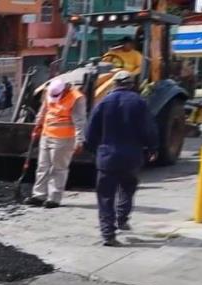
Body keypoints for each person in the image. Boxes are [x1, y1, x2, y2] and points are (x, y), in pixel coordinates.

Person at [83, 70, 158, 247]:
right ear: (131, 84)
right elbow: (149, 128)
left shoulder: (103, 103)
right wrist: (153, 148)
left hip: (107, 157)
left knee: (105, 197)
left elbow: (90, 131)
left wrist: (92, 149)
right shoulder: (139, 102)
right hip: (131, 157)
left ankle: (108, 235)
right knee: (127, 188)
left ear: (114, 84)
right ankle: (122, 218)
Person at [23, 78, 86, 208]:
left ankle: (54, 198)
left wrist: (79, 140)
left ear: (64, 90)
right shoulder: (49, 91)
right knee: (42, 167)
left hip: (64, 138)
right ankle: (39, 195)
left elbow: (80, 121)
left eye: (56, 95)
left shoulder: (76, 98)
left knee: (58, 169)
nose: (54, 97)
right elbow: (44, 110)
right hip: (47, 135)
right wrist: (37, 125)